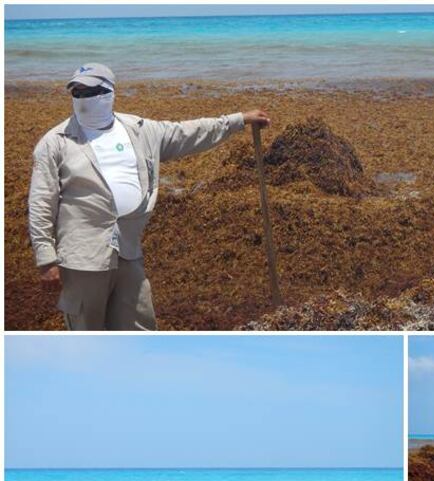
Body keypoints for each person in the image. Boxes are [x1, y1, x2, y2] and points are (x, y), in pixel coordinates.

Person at [28, 63, 271, 330]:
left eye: (91, 92)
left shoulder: (141, 130)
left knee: (140, 328)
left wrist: (238, 120)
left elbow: (189, 133)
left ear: (109, 92)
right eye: (77, 93)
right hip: (81, 259)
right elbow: (41, 203)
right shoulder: (55, 142)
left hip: (128, 252)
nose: (83, 99)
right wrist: (47, 260)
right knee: (87, 335)